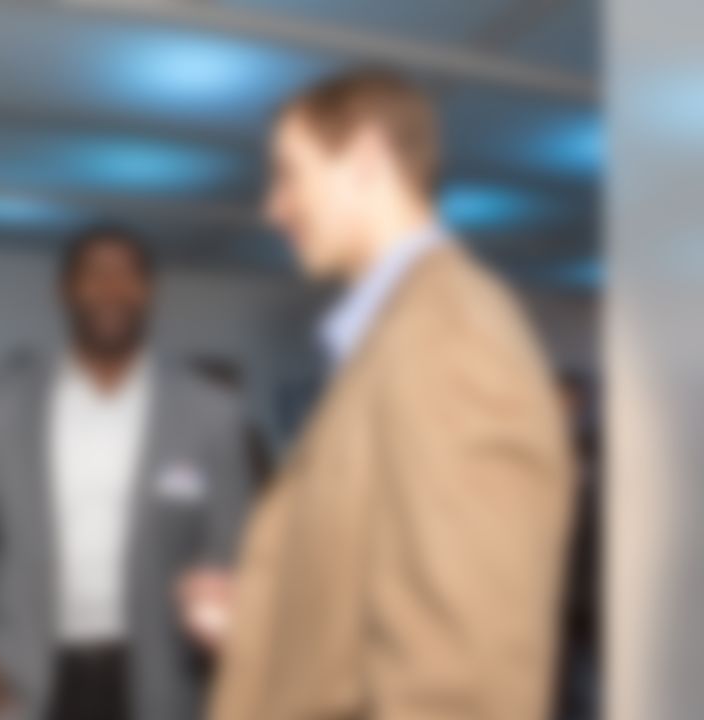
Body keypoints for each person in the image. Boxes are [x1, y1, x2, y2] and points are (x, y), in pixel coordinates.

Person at [194, 69, 576, 720]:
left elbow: (462, 679)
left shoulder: (449, 335)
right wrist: (263, 614)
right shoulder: (396, 337)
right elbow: (380, 594)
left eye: (289, 174)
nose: (274, 206)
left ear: (367, 160)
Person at [0, 225, 252, 720]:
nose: (112, 288)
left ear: (150, 292)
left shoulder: (211, 414)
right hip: (21, 674)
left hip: (160, 679)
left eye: (128, 275)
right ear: (63, 289)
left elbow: (228, 548)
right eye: (95, 274)